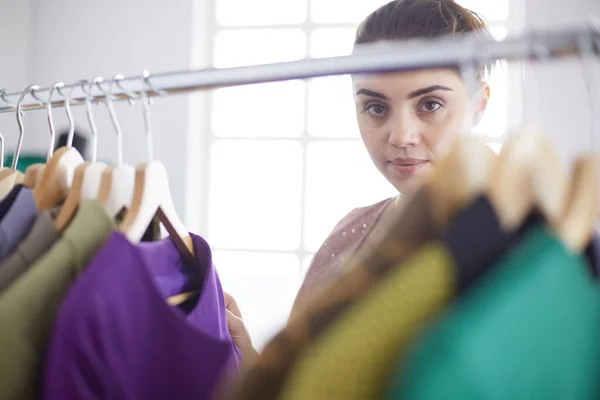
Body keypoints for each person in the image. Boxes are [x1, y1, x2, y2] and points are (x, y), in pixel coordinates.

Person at [225, 0, 493, 362]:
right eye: (376, 107)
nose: (400, 136)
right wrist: (248, 363)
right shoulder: (349, 232)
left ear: (480, 104)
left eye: (429, 104)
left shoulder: (519, 249)